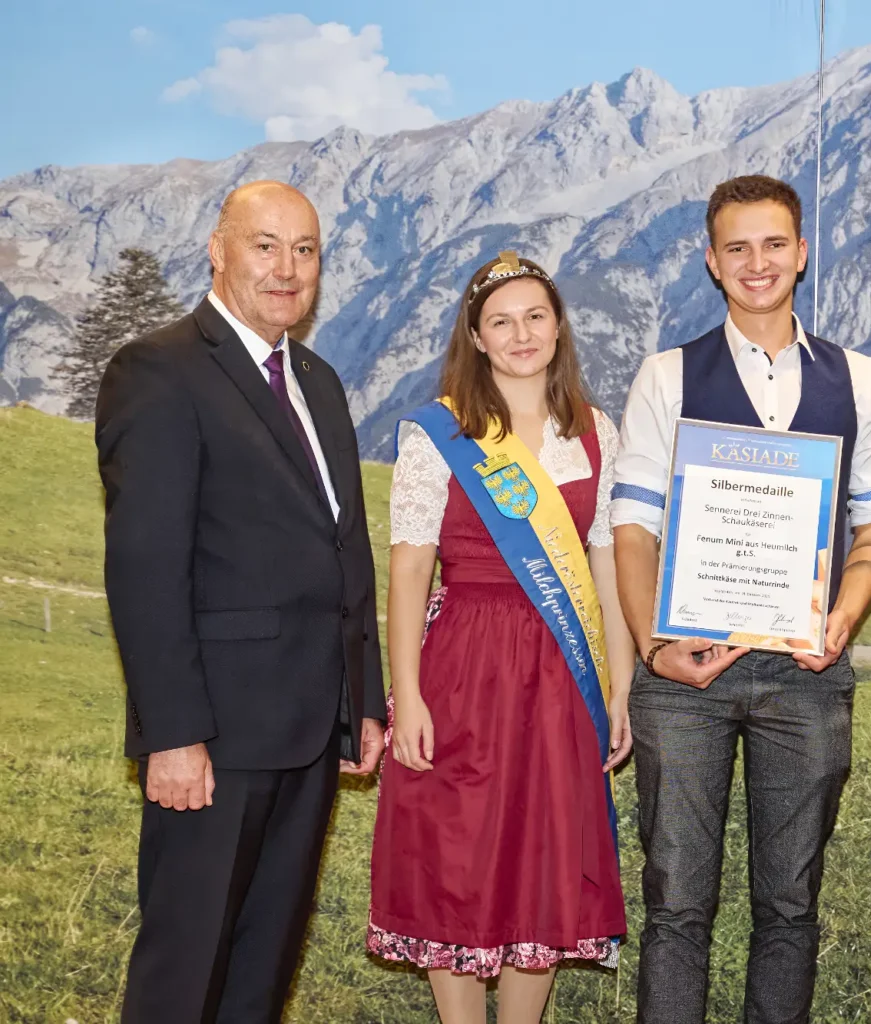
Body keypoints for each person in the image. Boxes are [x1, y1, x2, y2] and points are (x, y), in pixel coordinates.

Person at [610, 174, 871, 1023]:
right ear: (711, 261)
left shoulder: (861, 380)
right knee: (675, 906)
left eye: (774, 244)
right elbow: (634, 530)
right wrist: (656, 648)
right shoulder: (667, 376)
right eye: (736, 247)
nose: (757, 262)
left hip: (806, 675)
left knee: (789, 907)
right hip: (684, 678)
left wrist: (843, 618)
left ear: (802, 253)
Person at [97, 180, 386, 1023]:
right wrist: (174, 735)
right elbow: (146, 569)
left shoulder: (319, 381)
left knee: (262, 974)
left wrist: (359, 700)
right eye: (265, 245)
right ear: (217, 250)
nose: (287, 269)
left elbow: (345, 548)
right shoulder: (159, 369)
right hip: (214, 742)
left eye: (305, 250)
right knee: (184, 979)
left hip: (308, 735)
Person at [367, 251, 632, 1024]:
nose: (521, 335)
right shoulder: (438, 432)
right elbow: (411, 571)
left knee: (542, 851)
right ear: (477, 338)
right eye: (501, 322)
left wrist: (619, 686)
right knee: (457, 846)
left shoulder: (594, 432)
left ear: (558, 327)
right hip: (464, 664)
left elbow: (607, 563)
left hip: (561, 667)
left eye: (535, 317)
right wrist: (407, 694)